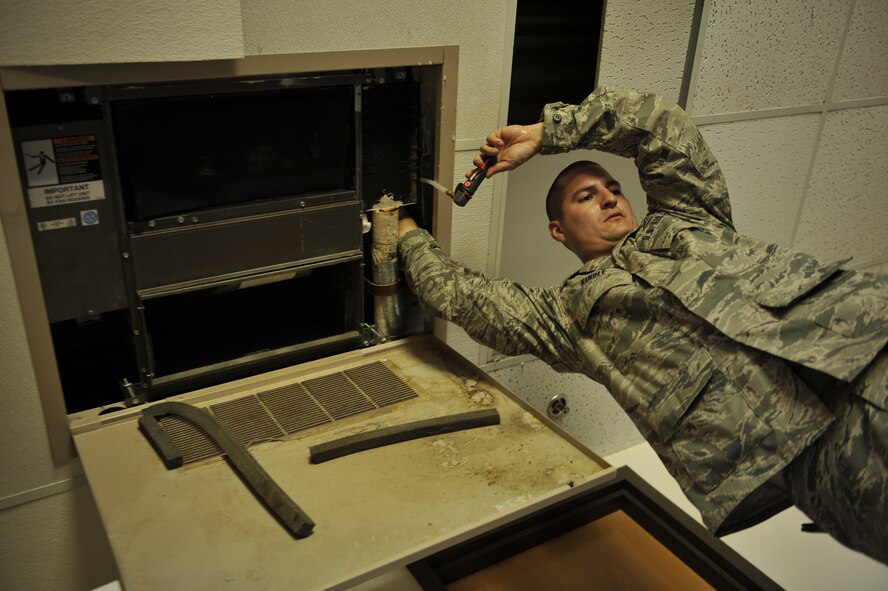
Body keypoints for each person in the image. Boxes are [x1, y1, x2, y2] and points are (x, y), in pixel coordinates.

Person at [397, 86, 888, 564]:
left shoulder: (689, 217)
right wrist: (407, 231)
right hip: (812, 458)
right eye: (587, 197)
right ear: (558, 230)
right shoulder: (569, 316)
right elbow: (460, 296)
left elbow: (659, 123)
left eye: (613, 189)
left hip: (868, 344)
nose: (610, 199)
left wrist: (548, 134)